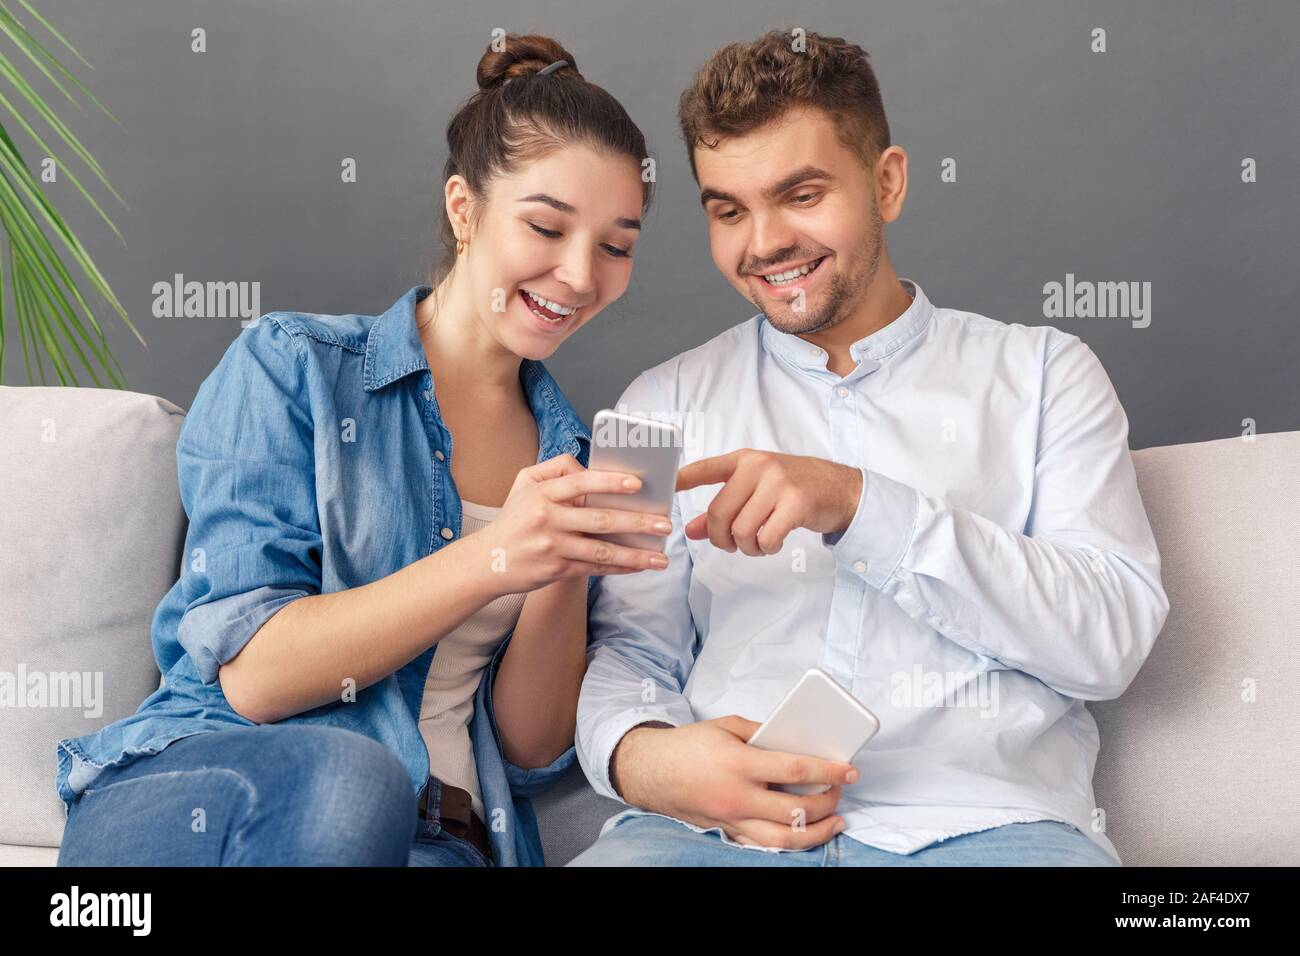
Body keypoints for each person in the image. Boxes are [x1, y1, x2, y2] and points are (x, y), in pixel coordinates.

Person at [55, 33, 665, 867]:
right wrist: (495, 556)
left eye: (616, 247)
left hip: (439, 838)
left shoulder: (569, 454)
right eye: (547, 226)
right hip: (214, 796)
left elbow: (527, 751)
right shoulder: (291, 367)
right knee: (355, 779)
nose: (579, 275)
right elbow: (256, 675)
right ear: (464, 208)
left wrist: (560, 564)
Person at [570, 30, 1170, 867]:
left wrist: (861, 504)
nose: (764, 242)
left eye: (802, 194)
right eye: (729, 210)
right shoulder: (648, 410)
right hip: (711, 839)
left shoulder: (1047, 375)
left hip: (989, 830)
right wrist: (642, 754)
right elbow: (626, 649)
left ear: (887, 183)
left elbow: (1109, 641)